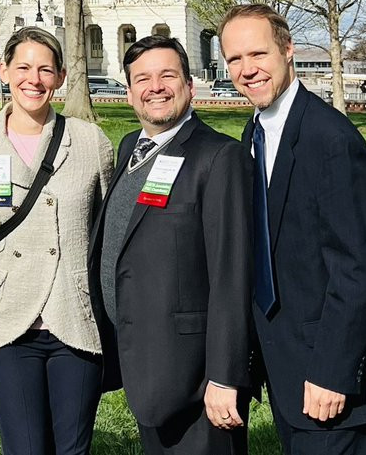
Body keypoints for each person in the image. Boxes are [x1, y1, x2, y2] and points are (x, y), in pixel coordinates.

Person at [218, 4, 366, 455]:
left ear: (288, 50)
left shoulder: (332, 140)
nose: (247, 70)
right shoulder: (255, 131)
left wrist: (332, 372)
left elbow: (359, 269)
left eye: (258, 54)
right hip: (288, 365)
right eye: (234, 59)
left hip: (331, 378)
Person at [0, 26, 113, 455]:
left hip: (73, 315)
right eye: (23, 68)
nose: (33, 80)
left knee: (73, 449)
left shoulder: (90, 142)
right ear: (3, 71)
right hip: (8, 317)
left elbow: (108, 230)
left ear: (60, 76)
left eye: (45, 70)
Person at [89, 35, 252, 455]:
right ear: (129, 93)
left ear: (189, 85)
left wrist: (225, 376)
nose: (155, 87)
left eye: (167, 75)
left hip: (197, 375)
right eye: (142, 79)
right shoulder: (132, 146)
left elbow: (232, 274)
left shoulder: (219, 157)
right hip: (146, 362)